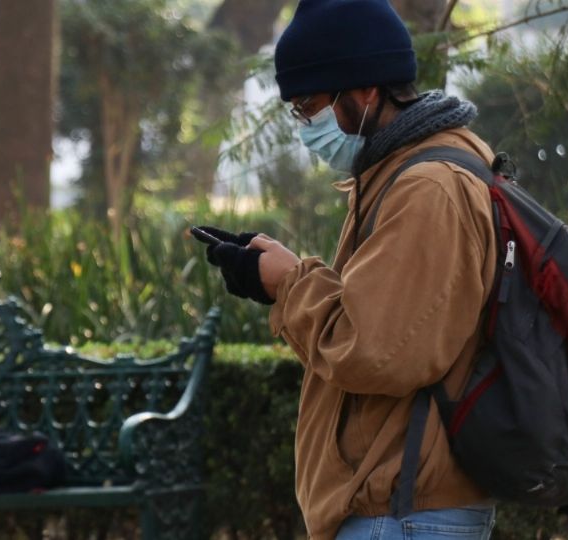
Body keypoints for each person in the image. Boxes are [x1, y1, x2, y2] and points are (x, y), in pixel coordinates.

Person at [198, 0, 499, 538]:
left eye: (310, 105)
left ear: (365, 91)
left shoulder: (427, 187)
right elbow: (394, 320)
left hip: (403, 510)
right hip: (395, 504)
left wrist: (290, 284)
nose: (304, 124)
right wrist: (280, 279)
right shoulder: (396, 171)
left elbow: (376, 350)